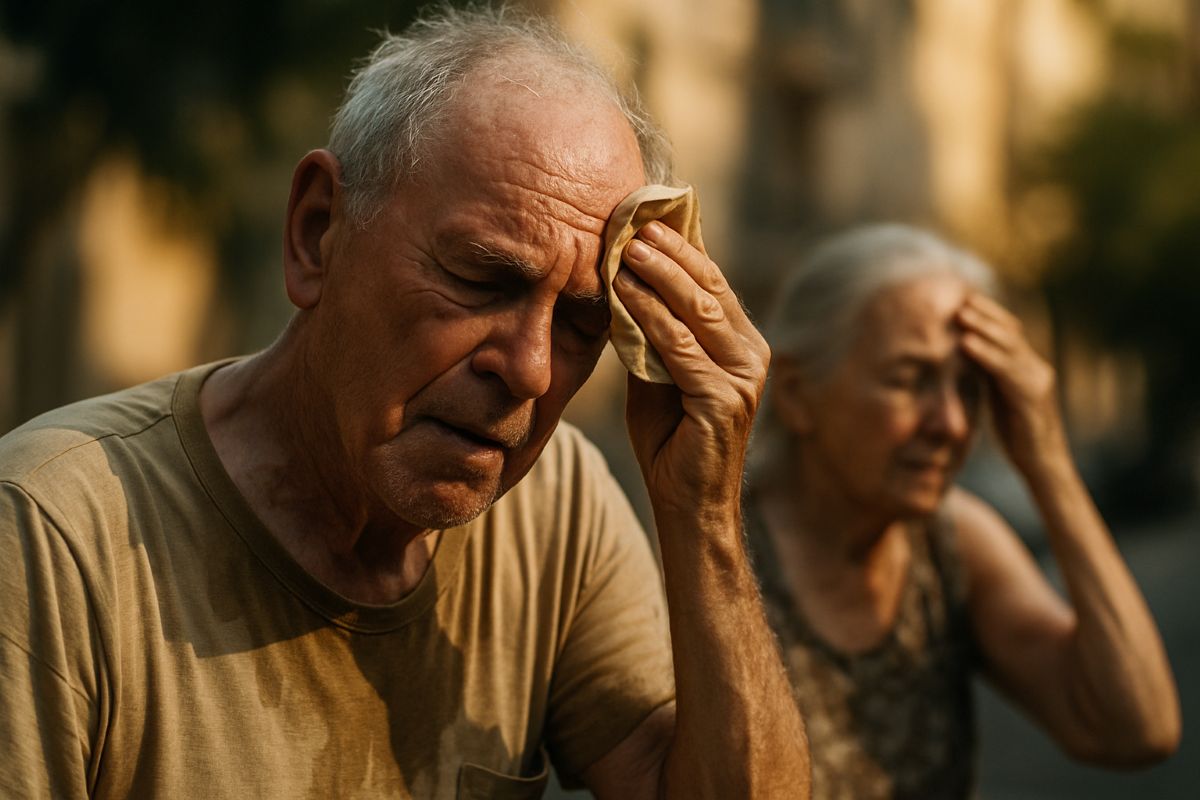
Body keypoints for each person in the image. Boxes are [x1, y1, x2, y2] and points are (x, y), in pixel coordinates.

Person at [0, 8, 809, 798]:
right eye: (483, 280)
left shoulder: (559, 510)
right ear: (317, 233)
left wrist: (701, 512)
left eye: (581, 323)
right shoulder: (51, 535)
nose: (529, 370)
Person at [746, 223, 1180, 799]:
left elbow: (1136, 729)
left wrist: (1048, 463)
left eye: (971, 389)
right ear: (799, 395)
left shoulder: (952, 541)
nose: (951, 423)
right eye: (910, 379)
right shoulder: (712, 542)